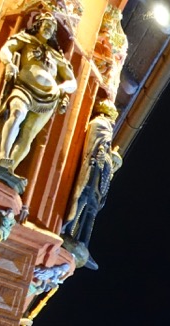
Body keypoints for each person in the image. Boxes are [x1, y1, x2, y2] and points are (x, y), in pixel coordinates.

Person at [0, 11, 76, 179]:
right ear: (38, 25)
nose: (48, 28)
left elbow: (72, 82)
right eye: (46, 24)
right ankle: (2, 156)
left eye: (52, 27)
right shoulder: (26, 40)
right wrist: (9, 64)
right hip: (24, 87)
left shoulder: (57, 56)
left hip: (48, 99)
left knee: (28, 135)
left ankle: (9, 171)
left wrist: (62, 88)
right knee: (17, 114)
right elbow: (5, 50)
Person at [62, 99, 122, 253]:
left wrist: (108, 158)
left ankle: (83, 242)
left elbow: (104, 148)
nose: (113, 122)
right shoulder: (100, 124)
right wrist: (102, 156)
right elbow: (96, 146)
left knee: (91, 210)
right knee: (82, 201)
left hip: (98, 178)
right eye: (112, 117)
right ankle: (68, 230)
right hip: (92, 173)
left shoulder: (105, 127)